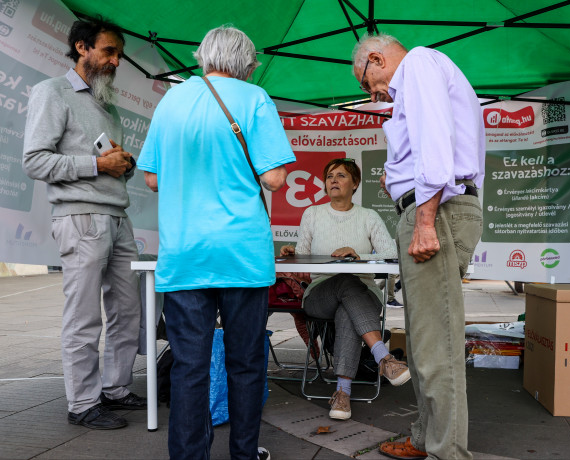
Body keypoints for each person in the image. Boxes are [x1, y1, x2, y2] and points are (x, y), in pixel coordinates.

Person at [138, 26, 295, 460]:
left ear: (202, 56)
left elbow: (152, 179)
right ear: (249, 64)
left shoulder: (171, 101)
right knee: (245, 364)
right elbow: (275, 177)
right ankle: (244, 455)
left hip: (184, 254)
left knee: (190, 366)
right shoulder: (254, 99)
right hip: (241, 253)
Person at [352, 34, 485, 460]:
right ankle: (427, 439)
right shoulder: (420, 73)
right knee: (426, 341)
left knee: (436, 347)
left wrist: (424, 219)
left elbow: (435, 144)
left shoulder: (420, 64)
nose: (372, 94)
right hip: (431, 209)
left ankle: (446, 452)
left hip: (437, 212)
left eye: (366, 82)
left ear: (376, 58)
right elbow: (428, 142)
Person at [23, 17, 145, 430]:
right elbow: (34, 160)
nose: (116, 61)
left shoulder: (107, 105)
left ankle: (115, 388)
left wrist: (121, 165)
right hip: (79, 217)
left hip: (117, 216)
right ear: (81, 48)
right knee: (84, 316)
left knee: (129, 311)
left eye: (119, 55)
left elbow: (107, 166)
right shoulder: (51, 92)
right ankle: (82, 403)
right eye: (109, 51)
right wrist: (96, 163)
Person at [280, 158, 410, 421]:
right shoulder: (313, 214)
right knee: (345, 279)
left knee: (347, 306)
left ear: (355, 184)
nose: (333, 180)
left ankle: (342, 394)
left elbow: (392, 254)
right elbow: (303, 256)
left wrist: (357, 255)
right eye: (329, 176)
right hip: (319, 294)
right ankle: (383, 358)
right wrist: (293, 253)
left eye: (341, 175)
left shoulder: (368, 216)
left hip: (362, 295)